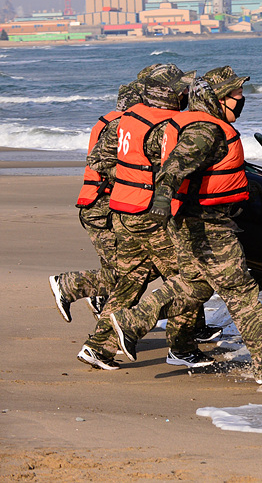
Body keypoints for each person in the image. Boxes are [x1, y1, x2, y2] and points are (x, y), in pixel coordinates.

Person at [109, 68, 262, 385]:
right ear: (216, 99)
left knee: (194, 286)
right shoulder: (205, 130)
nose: (241, 100)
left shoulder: (196, 125)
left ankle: (130, 322)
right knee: (241, 294)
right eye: (234, 95)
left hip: (189, 222)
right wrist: (162, 195)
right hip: (207, 226)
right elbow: (174, 165)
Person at [76, 64, 210, 371]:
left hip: (123, 212)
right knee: (190, 278)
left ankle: (98, 347)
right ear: (168, 94)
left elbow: (98, 160)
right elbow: (177, 171)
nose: (186, 93)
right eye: (182, 89)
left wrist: (128, 179)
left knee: (131, 280)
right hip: (153, 216)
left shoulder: (127, 119)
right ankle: (182, 347)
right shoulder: (168, 126)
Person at [49, 76, 150, 323]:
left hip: (98, 204)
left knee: (118, 268)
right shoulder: (119, 126)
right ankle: (69, 285)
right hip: (101, 206)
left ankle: (102, 306)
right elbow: (106, 164)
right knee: (127, 271)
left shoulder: (111, 122)